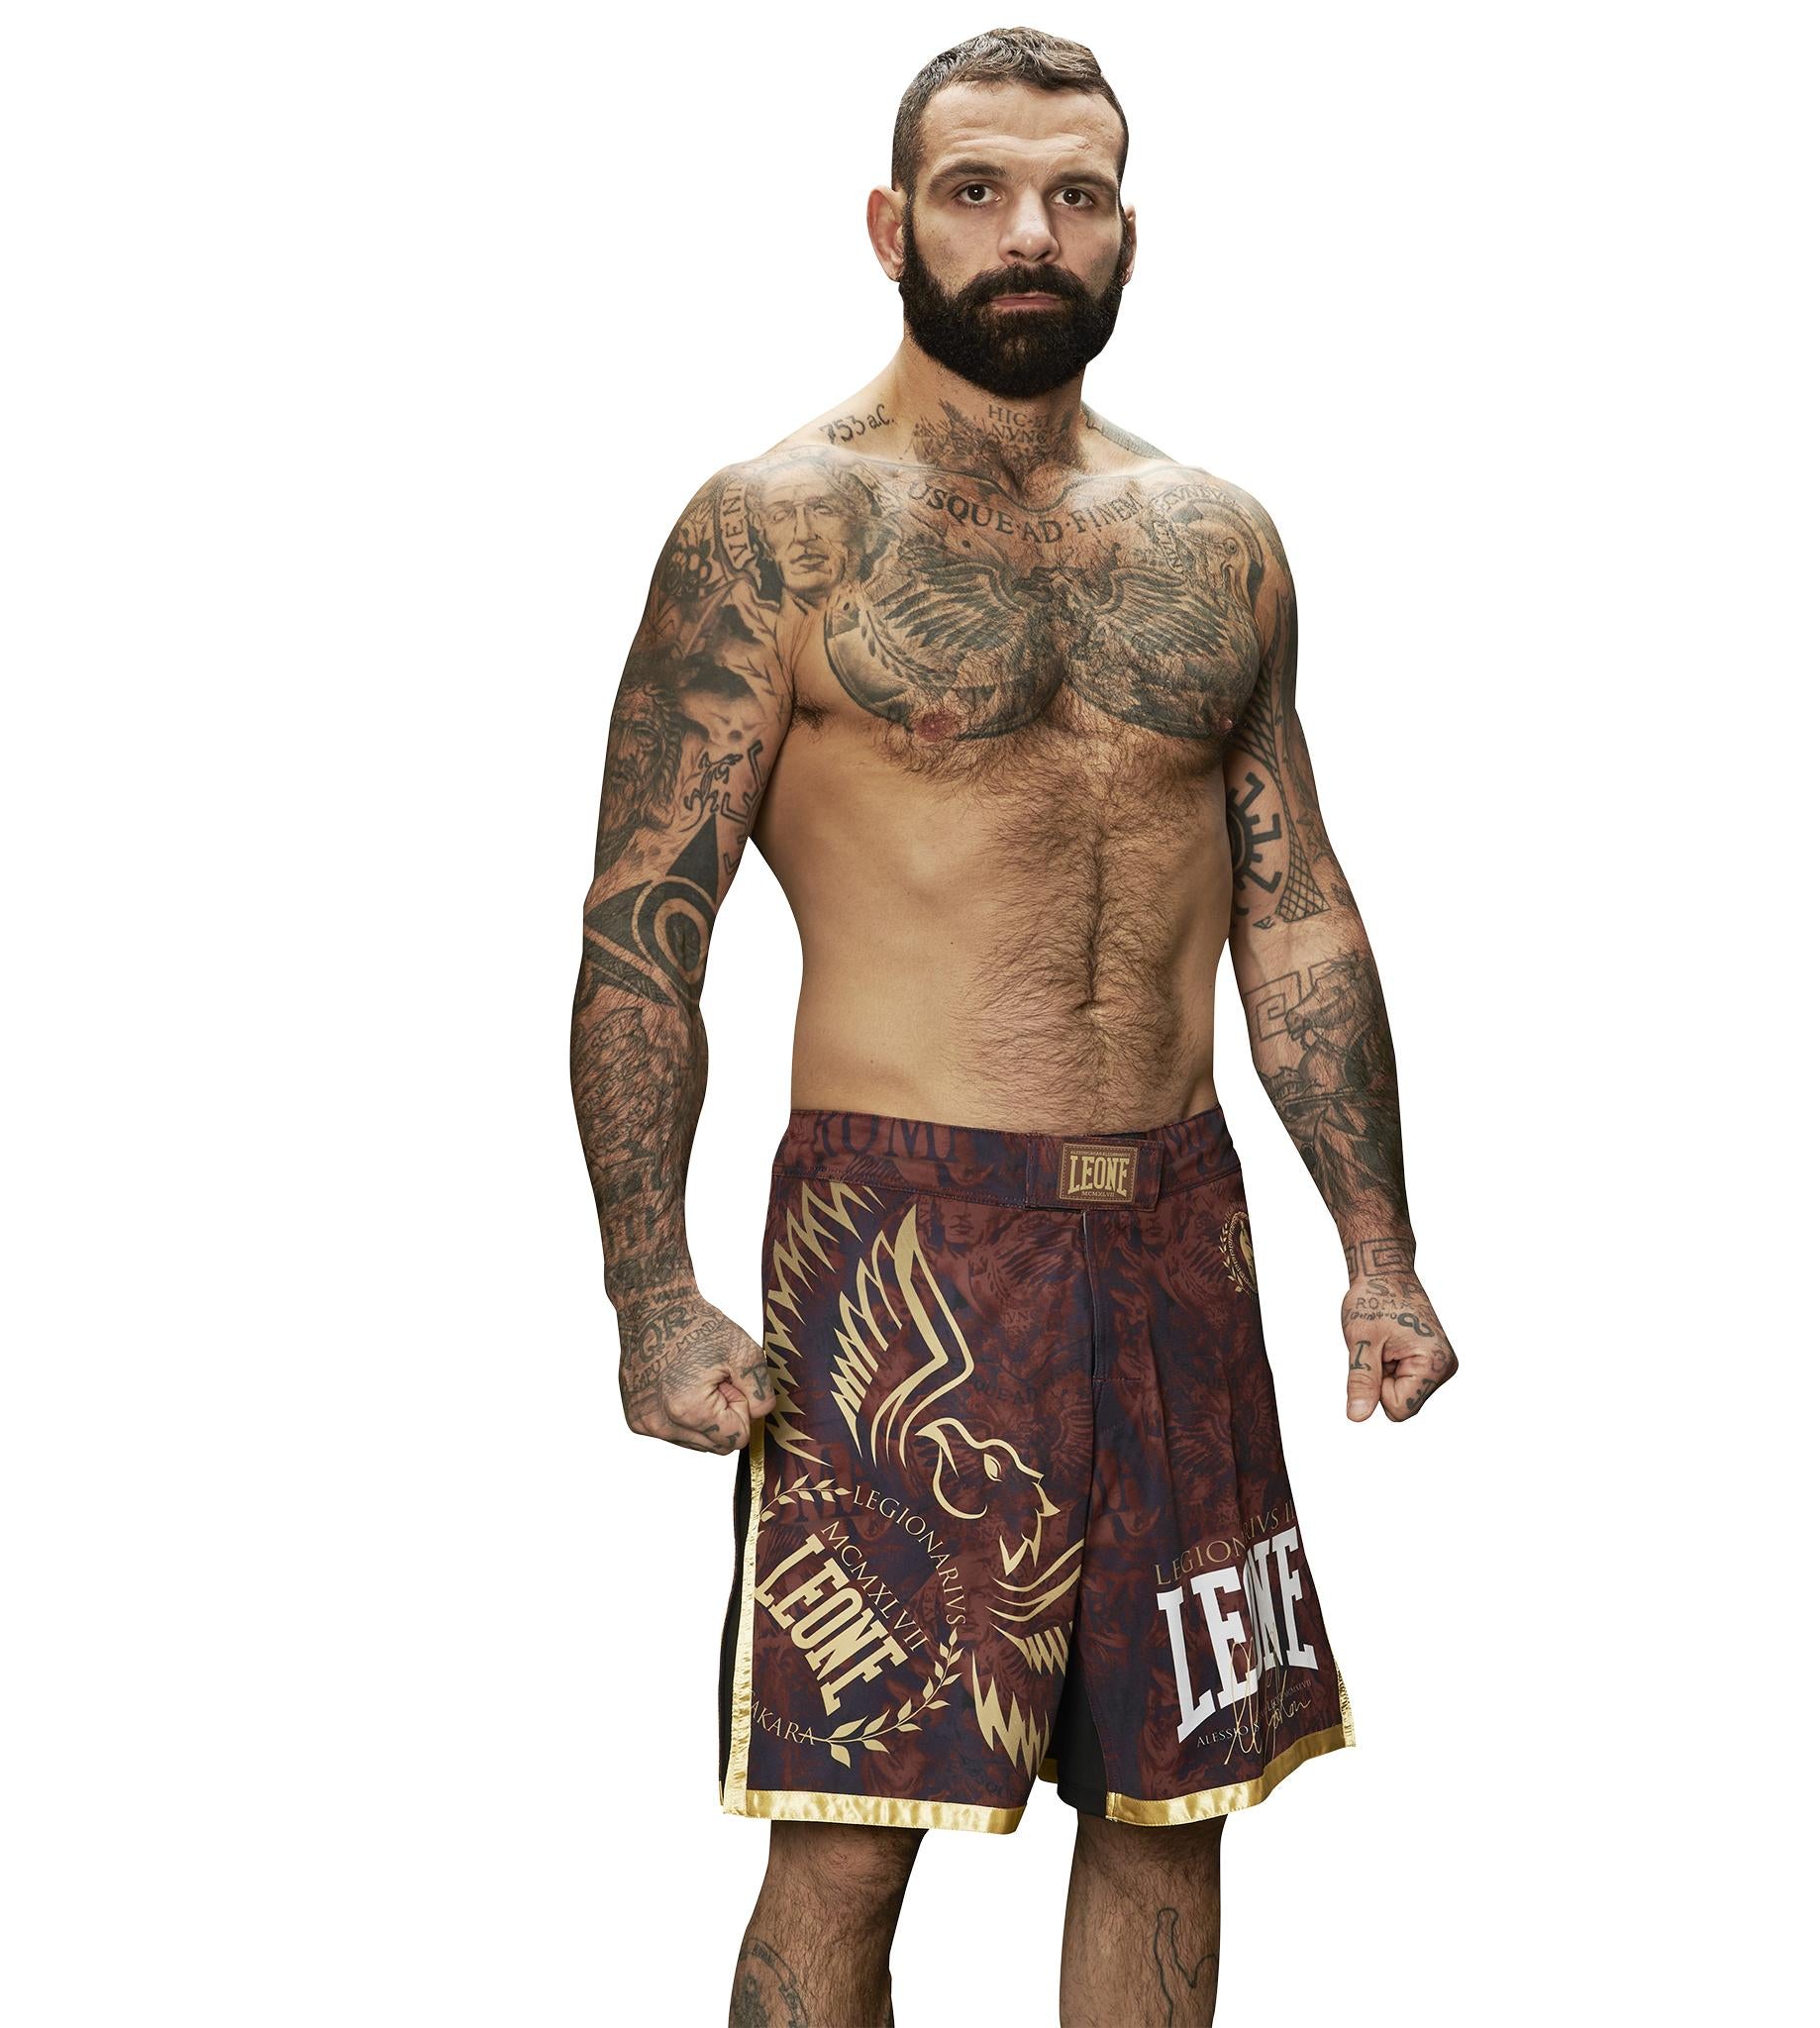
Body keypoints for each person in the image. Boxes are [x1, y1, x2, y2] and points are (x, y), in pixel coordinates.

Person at [569, 27, 1459, 2027]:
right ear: (893, 227)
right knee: (845, 1827)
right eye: (976, 193)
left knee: (1175, 1806)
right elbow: (642, 934)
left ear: (1126, 228)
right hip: (904, 1249)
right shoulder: (773, 529)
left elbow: (1296, 907)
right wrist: (648, 1289)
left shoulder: (1215, 539)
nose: (1028, 234)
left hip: (1177, 1239)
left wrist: (1377, 1248)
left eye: (1075, 194)